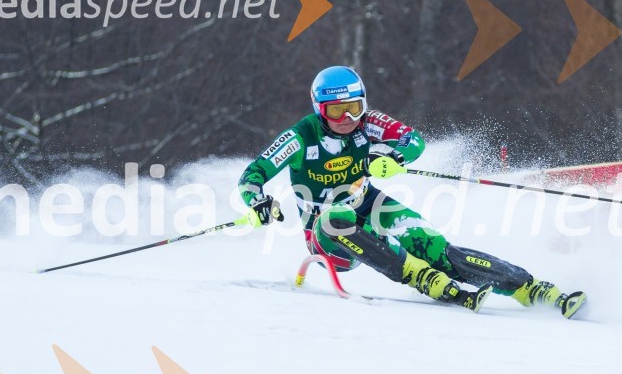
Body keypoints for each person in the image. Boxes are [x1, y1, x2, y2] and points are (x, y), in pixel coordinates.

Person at [237, 66, 587, 318]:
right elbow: (252, 176)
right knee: (335, 218)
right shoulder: (300, 137)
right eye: (336, 111)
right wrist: (258, 202)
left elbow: (413, 140)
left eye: (353, 107)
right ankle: (421, 276)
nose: (346, 118)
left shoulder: (369, 123)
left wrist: (393, 157)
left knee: (433, 246)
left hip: (368, 204)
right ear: (319, 109)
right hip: (326, 233)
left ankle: (532, 288)